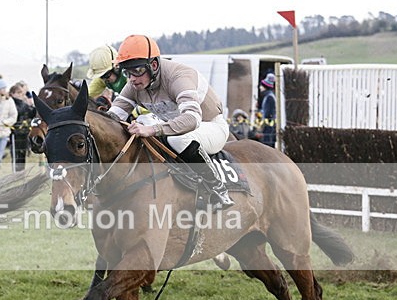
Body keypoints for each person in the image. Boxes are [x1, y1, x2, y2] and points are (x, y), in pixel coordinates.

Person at [106, 34, 233, 207]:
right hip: (177, 128)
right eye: (127, 72)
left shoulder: (178, 77)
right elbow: (112, 118)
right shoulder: (134, 84)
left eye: (137, 71)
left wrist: (152, 130)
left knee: (176, 138)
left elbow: (192, 119)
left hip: (210, 125)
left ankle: (217, 187)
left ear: (154, 65)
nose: (132, 78)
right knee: (143, 121)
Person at [85, 44, 127, 109]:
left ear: (116, 67)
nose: (104, 80)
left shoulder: (129, 76)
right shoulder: (101, 80)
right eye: (101, 76)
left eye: (106, 75)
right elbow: (87, 96)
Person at [9, 81, 35, 171]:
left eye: (21, 93)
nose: (20, 95)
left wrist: (33, 105)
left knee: (22, 153)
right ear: (12, 94)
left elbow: (31, 113)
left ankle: (22, 172)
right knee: (16, 153)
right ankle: (15, 171)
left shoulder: (23, 103)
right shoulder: (11, 103)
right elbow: (17, 113)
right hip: (15, 133)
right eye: (18, 93)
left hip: (24, 132)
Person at [256, 73, 277, 148]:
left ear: (265, 87)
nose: (260, 88)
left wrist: (260, 114)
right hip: (269, 126)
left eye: (261, 86)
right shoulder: (269, 96)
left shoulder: (269, 98)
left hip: (268, 127)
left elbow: (267, 114)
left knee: (267, 145)